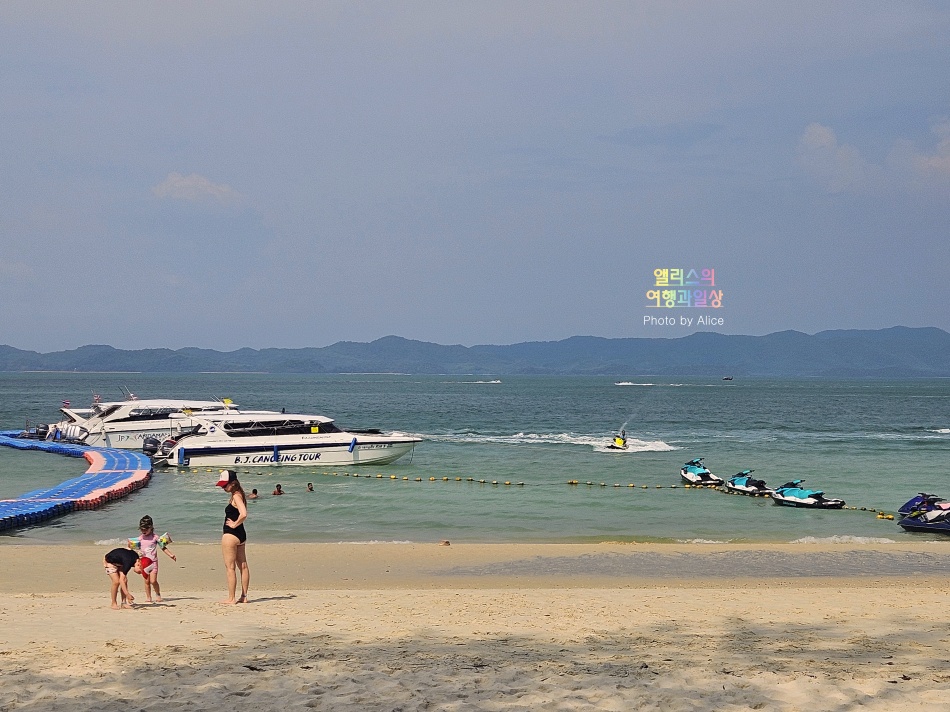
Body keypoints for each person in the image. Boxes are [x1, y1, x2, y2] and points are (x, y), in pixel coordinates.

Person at [217, 469, 250, 604]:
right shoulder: (239, 494)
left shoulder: (236, 496)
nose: (223, 488)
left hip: (231, 535)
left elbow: (244, 514)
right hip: (241, 535)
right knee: (243, 566)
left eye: (225, 485)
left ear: (233, 483)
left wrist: (234, 524)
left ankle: (231, 598)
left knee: (230, 568)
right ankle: (244, 596)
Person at [130, 515, 177, 603]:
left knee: (153, 580)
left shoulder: (155, 537)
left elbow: (163, 547)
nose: (143, 531)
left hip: (153, 562)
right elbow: (133, 549)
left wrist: (171, 555)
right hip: (143, 563)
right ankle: (148, 597)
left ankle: (158, 594)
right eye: (142, 529)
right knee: (147, 581)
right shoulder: (140, 538)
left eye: (145, 529)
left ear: (151, 528)